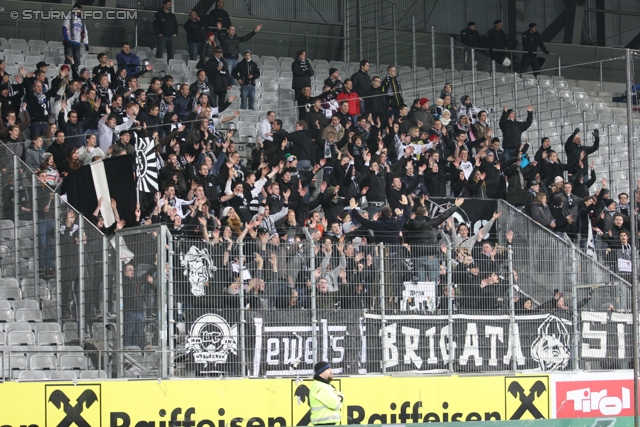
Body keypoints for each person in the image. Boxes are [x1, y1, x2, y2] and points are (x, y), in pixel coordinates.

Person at [309, 361, 344, 426]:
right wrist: (340, 397)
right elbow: (336, 404)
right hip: (325, 424)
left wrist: (339, 397)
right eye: (328, 369)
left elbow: (340, 396)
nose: (331, 371)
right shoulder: (321, 387)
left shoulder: (324, 385)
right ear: (321, 372)